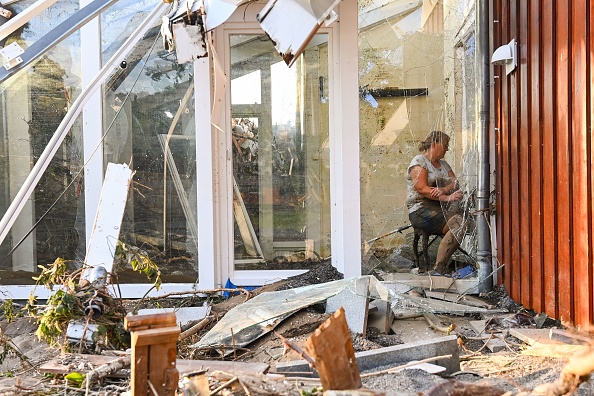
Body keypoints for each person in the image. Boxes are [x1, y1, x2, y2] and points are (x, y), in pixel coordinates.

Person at [405, 131, 467, 275]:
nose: (447, 148)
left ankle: (445, 265)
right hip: (421, 210)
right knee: (458, 223)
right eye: (445, 145)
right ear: (434, 144)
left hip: (442, 210)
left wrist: (444, 189)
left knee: (463, 223)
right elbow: (422, 189)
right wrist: (447, 197)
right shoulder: (419, 162)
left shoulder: (444, 165)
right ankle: (439, 267)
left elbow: (455, 183)